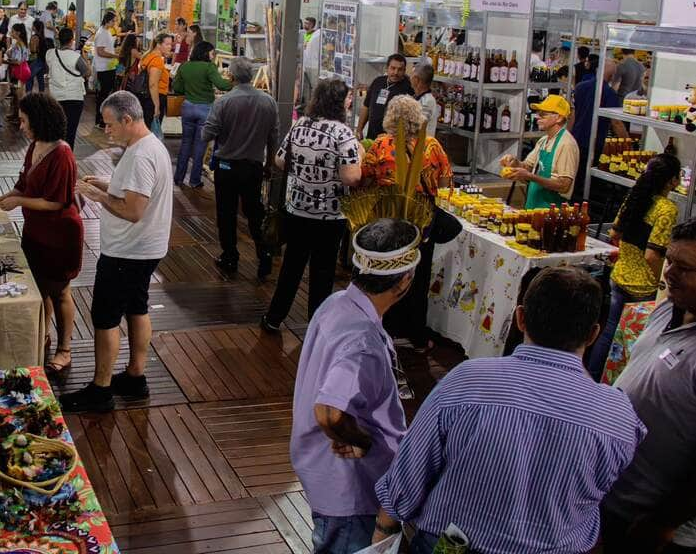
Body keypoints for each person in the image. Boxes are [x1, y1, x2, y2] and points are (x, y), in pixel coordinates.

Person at [373, 266, 645, 554]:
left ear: (520, 318)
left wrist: (384, 531)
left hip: (453, 546)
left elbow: (411, 469)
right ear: (592, 334)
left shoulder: (469, 379)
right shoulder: (618, 415)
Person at [293, 218, 419, 554]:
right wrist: (361, 441)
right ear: (405, 280)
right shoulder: (363, 342)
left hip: (323, 474)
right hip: (351, 492)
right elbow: (330, 413)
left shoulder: (337, 303)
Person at [63, 91, 173, 412]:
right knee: (137, 308)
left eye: (110, 124)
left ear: (128, 120)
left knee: (105, 317)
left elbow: (133, 209)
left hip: (128, 250)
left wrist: (96, 196)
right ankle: (135, 376)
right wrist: (106, 183)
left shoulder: (140, 156)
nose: (106, 130)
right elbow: (135, 190)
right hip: (146, 247)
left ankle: (101, 389)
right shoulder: (149, 146)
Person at [601, 217, 696, 554]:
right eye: (670, 260)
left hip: (650, 518)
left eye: (684, 267)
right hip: (612, 490)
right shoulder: (670, 307)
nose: (668, 272)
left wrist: (664, 522)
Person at [0, 94, 82, 376]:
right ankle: (43, 334)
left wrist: (20, 203)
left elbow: (57, 202)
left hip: (60, 234)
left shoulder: (62, 154)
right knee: (40, 287)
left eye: (24, 120)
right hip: (36, 230)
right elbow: (22, 186)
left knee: (60, 291)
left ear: (39, 120)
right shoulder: (35, 146)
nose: (21, 126)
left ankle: (65, 348)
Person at [264, 79, 363, 331]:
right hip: (329, 216)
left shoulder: (300, 126)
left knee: (291, 268)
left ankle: (273, 318)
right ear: (339, 102)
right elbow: (351, 177)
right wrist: (359, 156)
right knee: (322, 273)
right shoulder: (343, 133)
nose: (350, 101)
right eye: (348, 97)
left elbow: (279, 160)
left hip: (298, 209)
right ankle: (316, 327)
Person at [361, 95, 452, 350]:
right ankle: (417, 335)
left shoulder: (381, 145)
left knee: (388, 273)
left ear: (390, 117)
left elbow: (364, 178)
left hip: (390, 219)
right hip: (422, 221)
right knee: (419, 275)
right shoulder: (432, 146)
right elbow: (445, 181)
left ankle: (386, 330)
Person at [586, 154, 681, 381]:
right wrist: (663, 280)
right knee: (634, 339)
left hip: (619, 276)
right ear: (671, 181)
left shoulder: (635, 197)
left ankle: (592, 377)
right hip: (643, 285)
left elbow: (614, 234)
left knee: (609, 331)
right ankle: (622, 383)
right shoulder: (666, 209)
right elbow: (652, 255)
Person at [203, 57, 280, 280]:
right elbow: (274, 136)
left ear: (232, 76)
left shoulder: (224, 102)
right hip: (254, 166)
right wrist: (269, 163)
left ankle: (230, 257)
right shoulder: (268, 102)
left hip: (227, 166)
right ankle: (264, 256)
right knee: (255, 212)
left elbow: (206, 134)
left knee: (226, 213)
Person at [500, 94, 579, 209]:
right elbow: (527, 166)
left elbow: (564, 185)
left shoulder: (566, 144)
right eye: (538, 113)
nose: (538, 117)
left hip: (551, 213)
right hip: (533, 208)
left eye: (543, 114)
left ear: (559, 118)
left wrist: (530, 177)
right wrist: (514, 163)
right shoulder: (543, 140)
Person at [172, 40, 232, 188]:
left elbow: (177, 87)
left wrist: (190, 90)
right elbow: (222, 85)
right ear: (205, 53)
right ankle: (194, 181)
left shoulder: (185, 66)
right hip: (205, 109)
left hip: (187, 107)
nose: (213, 56)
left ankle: (178, 178)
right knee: (200, 146)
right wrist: (235, 81)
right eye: (212, 53)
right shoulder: (209, 67)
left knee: (185, 143)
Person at [572, 58, 628, 196]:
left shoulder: (580, 87)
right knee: (588, 181)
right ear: (611, 76)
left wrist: (567, 135)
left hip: (575, 139)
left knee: (574, 176)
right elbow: (616, 123)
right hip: (593, 143)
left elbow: (572, 114)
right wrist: (628, 145)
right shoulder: (609, 94)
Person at [46, 27, 90, 149]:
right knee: (70, 131)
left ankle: (55, 156)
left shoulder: (50, 54)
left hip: (56, 98)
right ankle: (66, 158)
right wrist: (84, 57)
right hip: (74, 98)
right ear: (72, 40)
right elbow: (87, 73)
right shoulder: (76, 57)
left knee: (57, 130)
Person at [356, 54, 412, 141]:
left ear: (404, 71)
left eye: (400, 69)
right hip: (371, 137)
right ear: (387, 68)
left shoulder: (408, 88)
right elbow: (366, 106)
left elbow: (408, 120)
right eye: (393, 68)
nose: (396, 72)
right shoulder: (378, 81)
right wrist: (359, 130)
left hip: (392, 141)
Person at [93, 11, 119, 129]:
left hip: (108, 67)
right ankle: (101, 121)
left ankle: (102, 120)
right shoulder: (102, 33)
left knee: (104, 94)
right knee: (104, 95)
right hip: (104, 69)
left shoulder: (106, 31)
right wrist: (115, 56)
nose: (115, 23)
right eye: (113, 20)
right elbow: (100, 51)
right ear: (108, 20)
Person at [141, 32, 173, 128]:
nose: (169, 47)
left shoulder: (148, 55)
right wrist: (156, 106)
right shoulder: (157, 60)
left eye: (171, 44)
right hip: (154, 97)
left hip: (145, 97)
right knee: (152, 129)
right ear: (158, 45)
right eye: (167, 44)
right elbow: (153, 84)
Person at [410, 63, 438, 137]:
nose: (410, 78)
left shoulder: (428, 101)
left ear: (416, 80)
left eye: (411, 75)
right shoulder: (416, 97)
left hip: (420, 146)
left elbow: (416, 128)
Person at [28, 18, 48, 93]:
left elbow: (33, 50)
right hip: (43, 60)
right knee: (40, 79)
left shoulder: (34, 37)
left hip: (35, 60)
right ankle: (42, 95)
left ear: (35, 27)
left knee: (29, 78)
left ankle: (29, 94)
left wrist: (29, 45)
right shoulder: (43, 37)